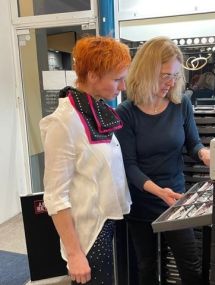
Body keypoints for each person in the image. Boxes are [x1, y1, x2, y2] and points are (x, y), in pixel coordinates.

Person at [116, 36, 210, 285]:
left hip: (176, 201)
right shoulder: (126, 113)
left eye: (176, 76)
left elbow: (193, 144)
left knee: (190, 265)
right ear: (147, 71)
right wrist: (158, 191)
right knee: (147, 266)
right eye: (165, 75)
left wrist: (205, 153)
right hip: (142, 201)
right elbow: (129, 166)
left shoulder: (182, 105)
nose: (172, 82)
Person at [39, 36, 132, 285]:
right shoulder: (64, 121)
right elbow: (55, 196)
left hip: (112, 221)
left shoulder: (95, 111)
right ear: (93, 76)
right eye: (116, 79)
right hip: (89, 235)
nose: (122, 86)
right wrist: (74, 254)